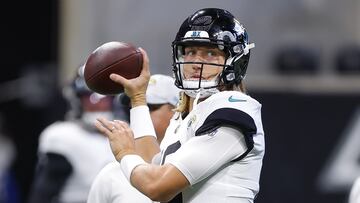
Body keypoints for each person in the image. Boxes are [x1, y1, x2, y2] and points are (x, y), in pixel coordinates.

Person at [95, 8, 264, 203]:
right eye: (190, 51)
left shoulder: (234, 109)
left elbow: (157, 187)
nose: (195, 62)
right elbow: (152, 165)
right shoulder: (185, 115)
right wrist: (138, 98)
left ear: (236, 61)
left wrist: (125, 153)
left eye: (210, 53)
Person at [28, 66, 116, 203]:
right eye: (92, 97)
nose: (100, 104)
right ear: (77, 100)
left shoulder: (129, 131)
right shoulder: (64, 136)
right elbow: (43, 193)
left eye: (105, 97)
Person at [87, 74, 180, 203]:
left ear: (179, 109)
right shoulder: (112, 174)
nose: (138, 113)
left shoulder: (188, 165)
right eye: (133, 108)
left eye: (150, 107)